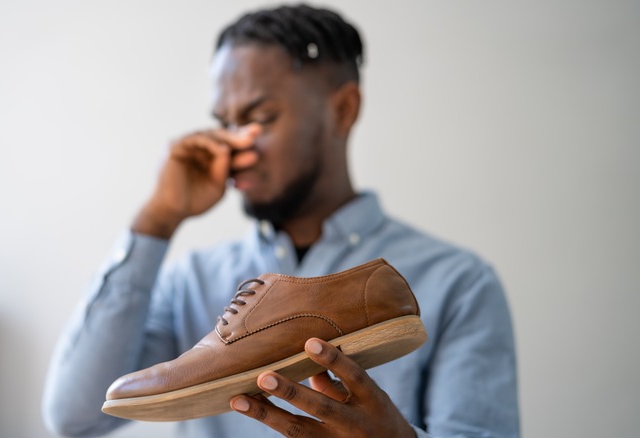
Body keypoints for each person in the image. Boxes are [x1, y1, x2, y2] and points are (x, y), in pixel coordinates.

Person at [42, 4, 519, 438]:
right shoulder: (193, 281)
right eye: (224, 123)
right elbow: (76, 415)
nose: (233, 146)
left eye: (261, 117)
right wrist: (158, 218)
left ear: (343, 110)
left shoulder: (458, 281)